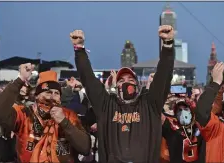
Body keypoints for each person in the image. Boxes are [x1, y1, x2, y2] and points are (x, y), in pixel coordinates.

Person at [70, 25, 175, 163]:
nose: (126, 83)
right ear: (115, 85)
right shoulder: (106, 106)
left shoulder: (150, 104)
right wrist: (79, 50)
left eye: (131, 79)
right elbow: (88, 79)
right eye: (121, 80)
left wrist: (167, 46)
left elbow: (163, 75)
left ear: (138, 85)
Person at [0, 65, 91, 163]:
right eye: (48, 92)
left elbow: (85, 148)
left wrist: (64, 122)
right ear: (37, 96)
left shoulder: (69, 115)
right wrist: (21, 79)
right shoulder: (25, 114)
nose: (52, 97)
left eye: (56, 93)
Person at [161, 99, 203, 163]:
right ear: (176, 115)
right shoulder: (171, 130)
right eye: (179, 111)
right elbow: (158, 115)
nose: (183, 112)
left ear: (190, 112)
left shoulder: (198, 127)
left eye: (186, 109)